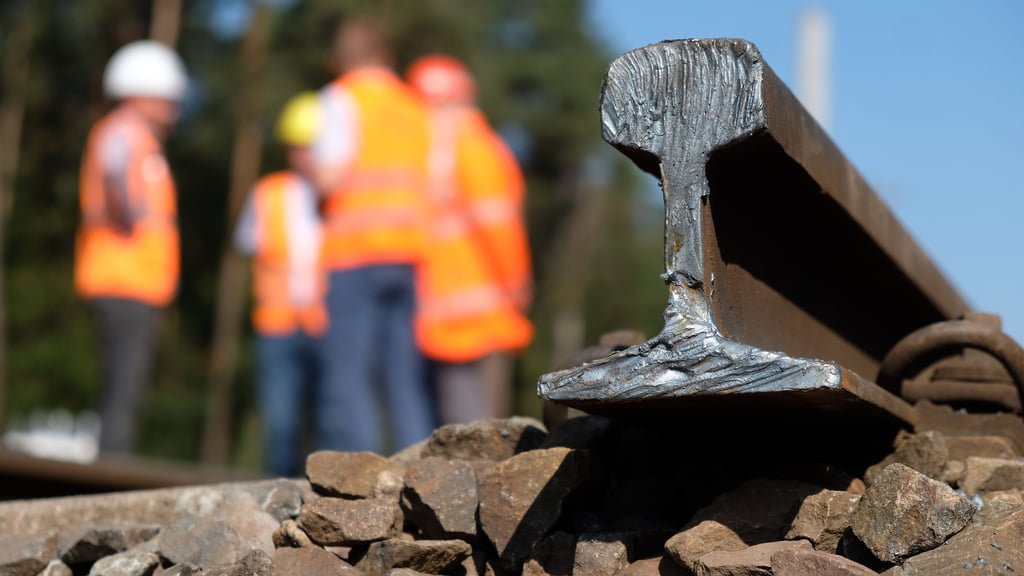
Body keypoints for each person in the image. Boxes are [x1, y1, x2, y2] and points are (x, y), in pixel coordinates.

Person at [310, 17, 436, 453]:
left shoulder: (339, 99)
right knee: (404, 376)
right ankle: (419, 468)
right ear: (387, 55)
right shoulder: (413, 106)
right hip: (407, 254)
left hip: (354, 254)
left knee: (349, 374)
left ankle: (355, 477)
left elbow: (327, 177)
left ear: (342, 57)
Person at [405, 54, 534, 424]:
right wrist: (518, 282)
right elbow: (499, 225)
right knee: (478, 431)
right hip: (478, 313)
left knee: (460, 430)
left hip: (450, 319)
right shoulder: (475, 149)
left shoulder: (438, 157)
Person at [74, 40, 187, 454]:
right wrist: (127, 212)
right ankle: (110, 471)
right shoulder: (125, 131)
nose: (174, 107)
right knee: (123, 388)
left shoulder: (136, 137)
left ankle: (111, 461)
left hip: (134, 280)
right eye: (168, 97)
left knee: (124, 388)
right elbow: (116, 175)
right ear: (143, 91)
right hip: (123, 278)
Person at [233, 93, 327, 477]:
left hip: (326, 325)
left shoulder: (340, 196)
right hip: (277, 325)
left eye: (311, 146)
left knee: (325, 423)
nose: (304, 155)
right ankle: (280, 496)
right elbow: (249, 246)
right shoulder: (268, 193)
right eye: (297, 146)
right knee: (280, 423)